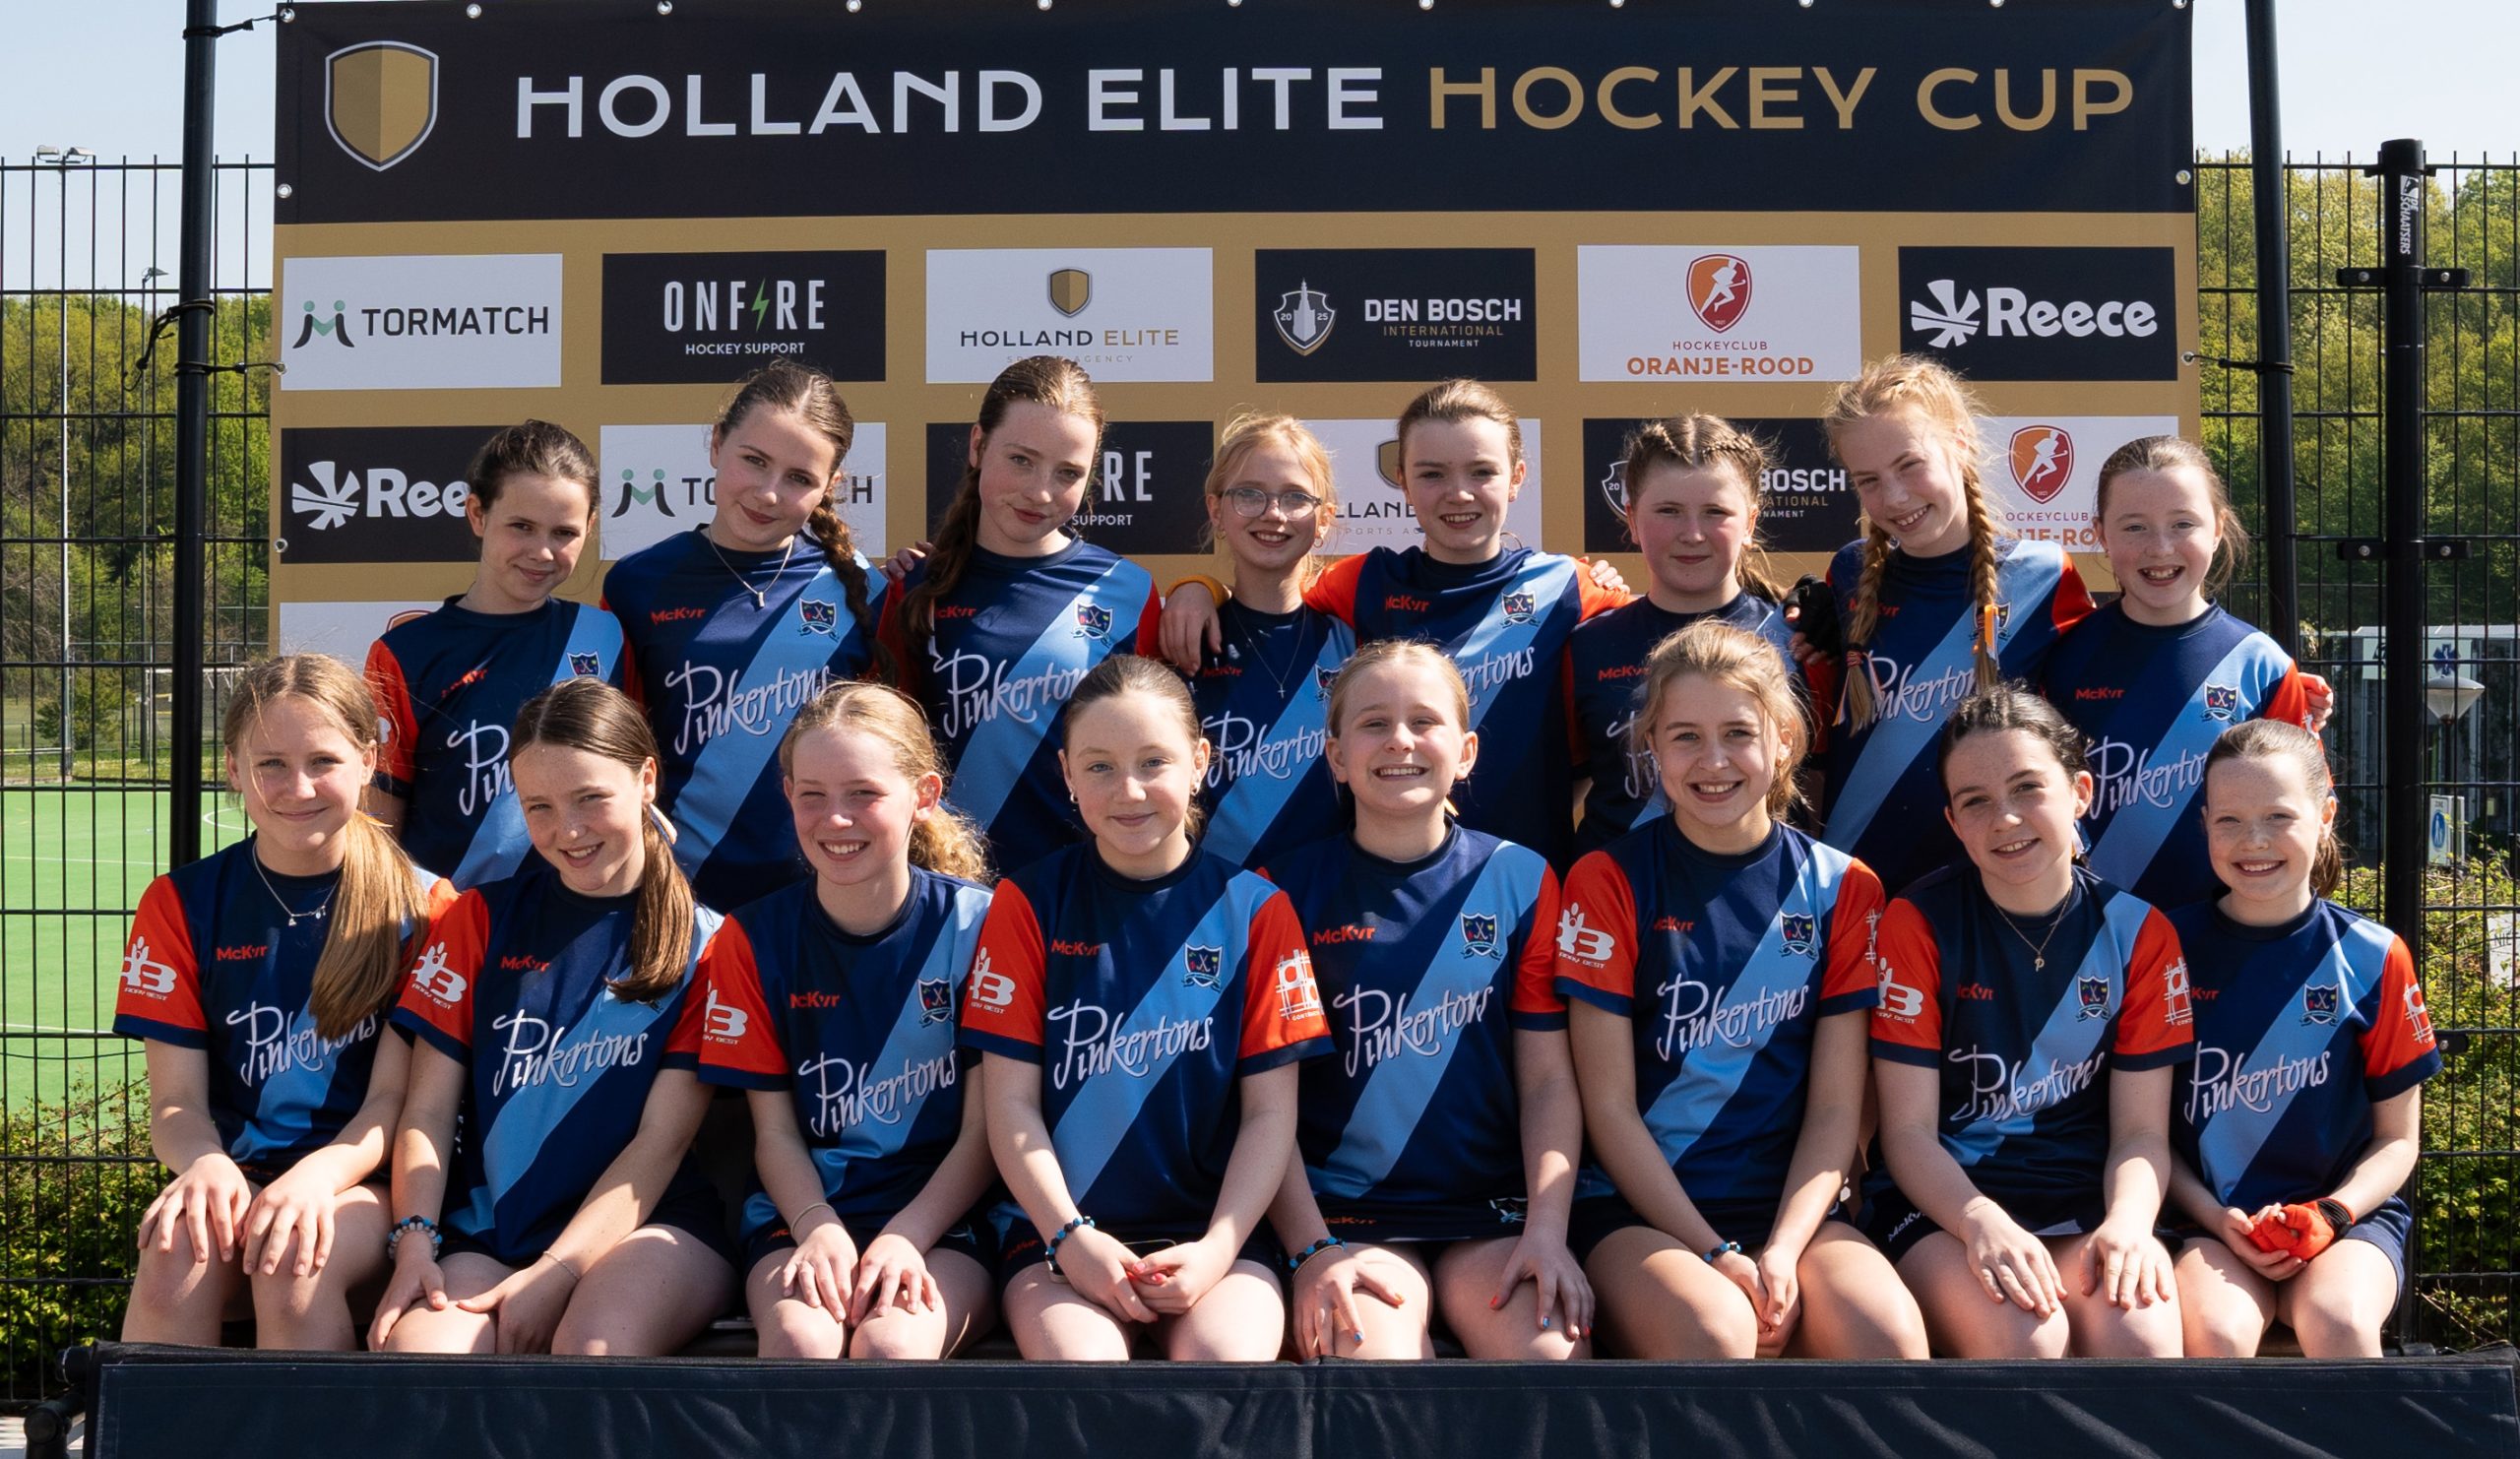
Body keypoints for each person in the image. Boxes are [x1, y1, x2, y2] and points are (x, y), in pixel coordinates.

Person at [1557, 622, 1924, 1360]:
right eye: (1685, 737)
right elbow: (1608, 1109)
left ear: (1784, 740)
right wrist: (1715, 1251)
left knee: (1886, 1338)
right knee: (1716, 1331)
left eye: (1738, 733)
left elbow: (1836, 1109)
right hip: (1641, 1214)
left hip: (1792, 1211)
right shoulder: (1606, 880)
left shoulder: (1845, 888)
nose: (1714, 760)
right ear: (1651, 746)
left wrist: (1783, 1249)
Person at [961, 655, 1332, 1360]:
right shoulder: (1026, 903)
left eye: (1153, 762)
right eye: (1099, 767)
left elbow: (1269, 1116)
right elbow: (1009, 1106)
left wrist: (1218, 1248)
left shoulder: (1257, 910)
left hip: (1212, 1236)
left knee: (1225, 1359)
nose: (1128, 790)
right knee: (1085, 1366)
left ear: (1200, 762)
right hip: (1057, 1236)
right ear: (1067, 775)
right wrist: (1070, 1236)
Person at [370, 679, 735, 1356]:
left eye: (590, 798)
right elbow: (426, 1111)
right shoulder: (479, 919)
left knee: (591, 1350)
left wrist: (558, 1272)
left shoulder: (709, 944)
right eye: (539, 806)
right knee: (421, 1357)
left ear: (646, 780)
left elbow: (660, 1142)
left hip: (647, 1229)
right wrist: (414, 1239)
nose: (567, 830)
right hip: (495, 1231)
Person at [1263, 641, 1590, 1361]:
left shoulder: (1522, 880)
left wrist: (1547, 1230)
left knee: (1550, 1358)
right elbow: (1262, 1105)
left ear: (1466, 752)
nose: (1400, 741)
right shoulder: (1278, 892)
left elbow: (1547, 1081)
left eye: (1424, 721)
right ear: (1336, 756)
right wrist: (1311, 1246)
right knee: (1373, 1362)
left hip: (1493, 1216)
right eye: (1373, 724)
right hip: (1344, 1217)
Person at [115, 655, 448, 1348]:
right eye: (271, 764)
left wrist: (315, 1179)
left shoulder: (429, 908)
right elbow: (175, 1105)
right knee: (173, 1255)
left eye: (323, 760)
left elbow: (395, 1105)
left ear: (368, 761)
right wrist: (205, 1163)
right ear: (233, 770)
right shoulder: (179, 904)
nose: (298, 788)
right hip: (237, 1170)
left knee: (296, 1258)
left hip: (368, 1181)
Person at [1162, 380, 1625, 869]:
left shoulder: (1569, 586)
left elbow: (1648, 624)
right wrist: (1200, 588)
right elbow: (1272, 599)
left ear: (1517, 477)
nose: (1459, 493)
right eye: (1432, 474)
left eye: (1482, 472)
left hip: (1525, 879)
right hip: (1381, 880)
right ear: (1402, 481)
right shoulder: (1365, 583)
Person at [1865, 687, 2192, 1358]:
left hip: (2083, 1202)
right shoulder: (1916, 922)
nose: (2006, 819)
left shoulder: (2141, 933)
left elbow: (2139, 1134)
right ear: (1953, 823)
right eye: (1976, 801)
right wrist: (1978, 1219)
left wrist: (2130, 1224)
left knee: (2142, 1343)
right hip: (1946, 1206)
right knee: (2029, 1341)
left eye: (2027, 788)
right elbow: (1905, 1132)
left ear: (2080, 792)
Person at [694, 682, 1003, 1360]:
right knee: (801, 1339)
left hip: (942, 1217)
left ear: (923, 796)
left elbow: (986, 1132)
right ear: (787, 795)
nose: (836, 819)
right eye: (813, 795)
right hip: (802, 1210)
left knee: (892, 1345)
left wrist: (907, 1235)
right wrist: (817, 1225)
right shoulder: (753, 938)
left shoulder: (981, 926)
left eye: (863, 793)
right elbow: (774, 1133)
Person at [2168, 721, 2439, 1358]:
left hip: (2347, 1221)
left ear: (2325, 817)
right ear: (2204, 825)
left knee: (2340, 1322)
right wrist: (2218, 1220)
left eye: (2279, 816)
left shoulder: (2374, 956)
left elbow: (2399, 1139)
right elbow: (2141, 1134)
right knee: (2218, 1332)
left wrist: (2331, 1214)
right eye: (2229, 820)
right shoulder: (2164, 949)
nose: (2254, 840)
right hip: (2207, 1221)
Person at [603, 359, 887, 912]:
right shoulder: (637, 584)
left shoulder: (864, 591)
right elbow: (614, 751)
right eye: (754, 461)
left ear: (829, 487)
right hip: (677, 898)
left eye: (799, 478)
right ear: (716, 444)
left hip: (824, 899)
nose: (768, 494)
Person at [1805, 355, 2093, 894]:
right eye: (1869, 480)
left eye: (1910, 465)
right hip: (1859, 885)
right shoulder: (1848, 573)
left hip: (1996, 885)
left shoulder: (2044, 576)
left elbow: (2097, 712)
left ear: (1959, 443)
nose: (1895, 497)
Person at [879, 355, 1161, 873]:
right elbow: (887, 752)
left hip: (1083, 887)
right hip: (948, 886)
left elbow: (1159, 752)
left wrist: (1202, 589)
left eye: (1068, 473)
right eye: (1021, 460)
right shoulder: (914, 588)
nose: (1040, 491)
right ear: (978, 446)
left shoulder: (1128, 593)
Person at [2043, 435, 2318, 909]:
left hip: (2223, 934)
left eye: (2183, 524)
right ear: (2100, 534)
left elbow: (2304, 816)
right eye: (2134, 527)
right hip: (2092, 931)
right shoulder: (2062, 657)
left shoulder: (2263, 666)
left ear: (2218, 528)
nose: (2160, 547)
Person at [366, 420, 624, 887]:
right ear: (478, 514)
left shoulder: (606, 637)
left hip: (581, 914)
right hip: (449, 919)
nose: (542, 552)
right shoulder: (403, 653)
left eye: (563, 533)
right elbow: (379, 822)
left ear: (589, 529)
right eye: (522, 527)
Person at [1570, 415, 1797, 860]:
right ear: (1632, 519)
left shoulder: (1799, 640)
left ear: (1750, 523)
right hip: (1615, 892)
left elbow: (1818, 793)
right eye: (1668, 511)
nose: (1692, 534)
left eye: (1715, 512)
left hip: (1763, 894)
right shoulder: (1584, 645)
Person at [1185, 412, 1355, 869]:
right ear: (1216, 510)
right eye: (1249, 494)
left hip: (1330, 896)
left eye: (1295, 497)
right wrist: (1196, 588)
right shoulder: (1183, 635)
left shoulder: (1355, 639)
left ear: (1324, 519)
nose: (1273, 514)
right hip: (1214, 898)